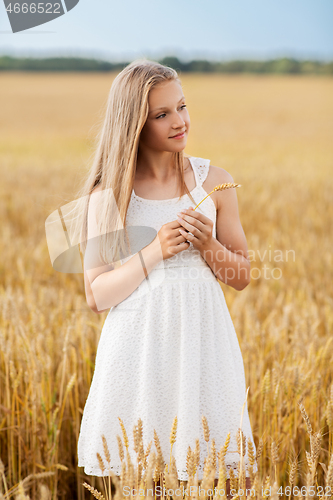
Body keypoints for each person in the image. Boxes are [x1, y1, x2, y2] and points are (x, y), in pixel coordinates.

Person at [76, 59, 257, 496]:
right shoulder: (110, 196)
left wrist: (209, 246)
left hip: (204, 341)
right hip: (140, 346)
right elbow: (97, 295)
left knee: (224, 476)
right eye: (162, 114)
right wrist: (155, 250)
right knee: (148, 477)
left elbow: (243, 275)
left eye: (182, 106)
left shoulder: (215, 183)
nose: (180, 121)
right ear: (135, 124)